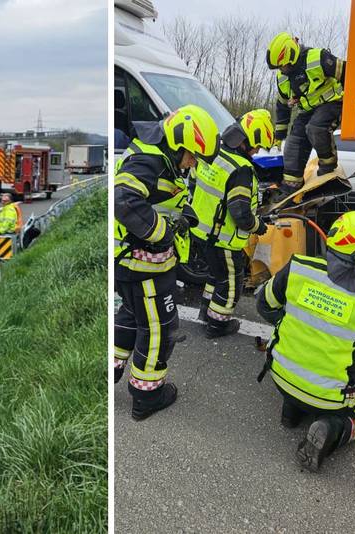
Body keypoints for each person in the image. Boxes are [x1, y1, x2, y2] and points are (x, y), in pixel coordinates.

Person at [256, 210, 355, 471]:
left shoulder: (299, 268)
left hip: (280, 375)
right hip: (329, 397)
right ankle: (331, 428)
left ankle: (291, 411)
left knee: (300, 380)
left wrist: (288, 323)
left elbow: (264, 305)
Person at [113, 104, 221, 420]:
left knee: (131, 316)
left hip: (132, 263)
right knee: (160, 327)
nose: (193, 163)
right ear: (177, 145)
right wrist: (161, 233)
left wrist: (182, 212)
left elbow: (157, 197)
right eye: (192, 156)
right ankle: (147, 396)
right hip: (144, 264)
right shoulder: (150, 162)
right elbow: (123, 199)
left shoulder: (158, 154)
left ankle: (112, 369)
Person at [190, 109, 274, 338]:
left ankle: (206, 313)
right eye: (257, 147)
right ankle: (217, 325)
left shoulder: (213, 152)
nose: (257, 152)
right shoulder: (241, 170)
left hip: (201, 232)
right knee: (230, 284)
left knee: (215, 277)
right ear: (247, 141)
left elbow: (194, 184)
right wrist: (260, 226)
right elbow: (241, 214)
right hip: (224, 240)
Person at [266, 31, 346, 195]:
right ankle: (291, 186)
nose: (282, 69)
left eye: (283, 65)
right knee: (293, 142)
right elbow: (282, 105)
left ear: (292, 55)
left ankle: (327, 167)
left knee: (315, 128)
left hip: (333, 103)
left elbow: (348, 74)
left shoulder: (318, 58)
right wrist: (279, 136)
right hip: (308, 110)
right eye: (279, 67)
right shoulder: (282, 77)